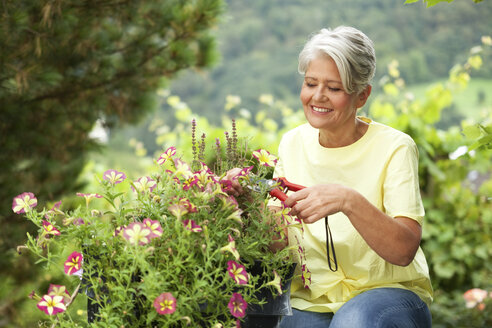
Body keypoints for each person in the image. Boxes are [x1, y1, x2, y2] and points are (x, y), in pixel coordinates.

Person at [227, 26, 433, 327]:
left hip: (390, 295)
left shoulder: (395, 147)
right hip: (313, 298)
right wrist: (247, 201)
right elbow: (279, 244)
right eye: (311, 83)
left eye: (334, 89)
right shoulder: (293, 143)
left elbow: (403, 251)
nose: (317, 97)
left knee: (354, 322)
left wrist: (347, 200)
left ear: (361, 95)